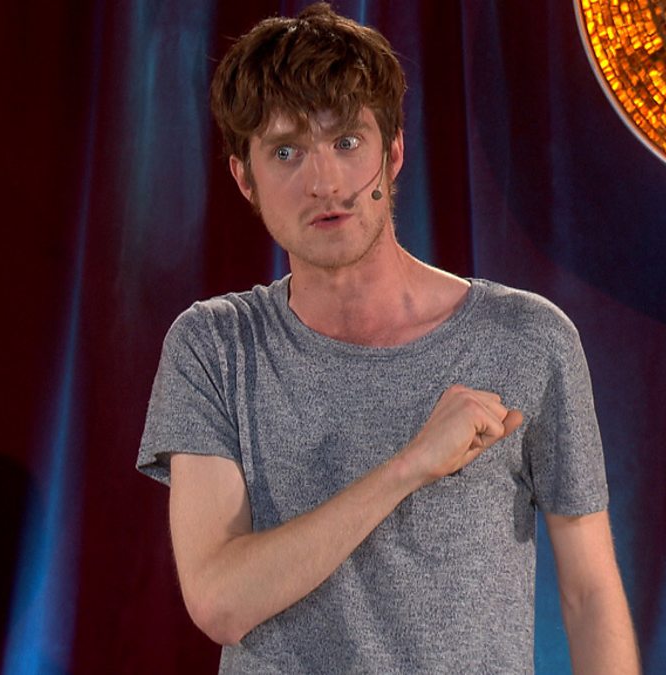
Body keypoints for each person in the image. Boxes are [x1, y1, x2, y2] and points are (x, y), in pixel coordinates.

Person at [137, 3, 640, 672]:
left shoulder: (526, 336)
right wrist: (411, 466)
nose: (324, 182)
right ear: (244, 178)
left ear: (393, 152)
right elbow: (220, 601)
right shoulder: (215, 346)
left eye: (347, 142)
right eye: (286, 152)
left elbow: (589, 593)